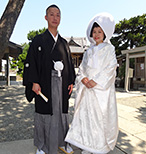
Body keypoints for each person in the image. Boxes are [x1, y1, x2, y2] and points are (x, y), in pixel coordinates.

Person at [23, 4, 75, 154]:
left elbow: (70, 64)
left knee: (61, 113)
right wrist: (33, 81)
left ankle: (62, 142)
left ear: (60, 19)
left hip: (62, 83)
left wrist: (71, 81)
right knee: (45, 114)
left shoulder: (64, 43)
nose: (55, 17)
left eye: (58, 15)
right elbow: (31, 61)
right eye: (51, 14)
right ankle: (42, 146)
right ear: (46, 17)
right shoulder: (38, 40)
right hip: (44, 84)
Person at [65, 12, 119, 154]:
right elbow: (82, 68)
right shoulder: (88, 51)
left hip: (100, 90)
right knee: (86, 118)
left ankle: (99, 146)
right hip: (87, 88)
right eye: (94, 32)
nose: (96, 34)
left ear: (105, 33)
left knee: (99, 119)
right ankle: (87, 145)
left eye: (99, 31)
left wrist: (96, 81)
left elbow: (111, 67)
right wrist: (83, 79)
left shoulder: (109, 49)